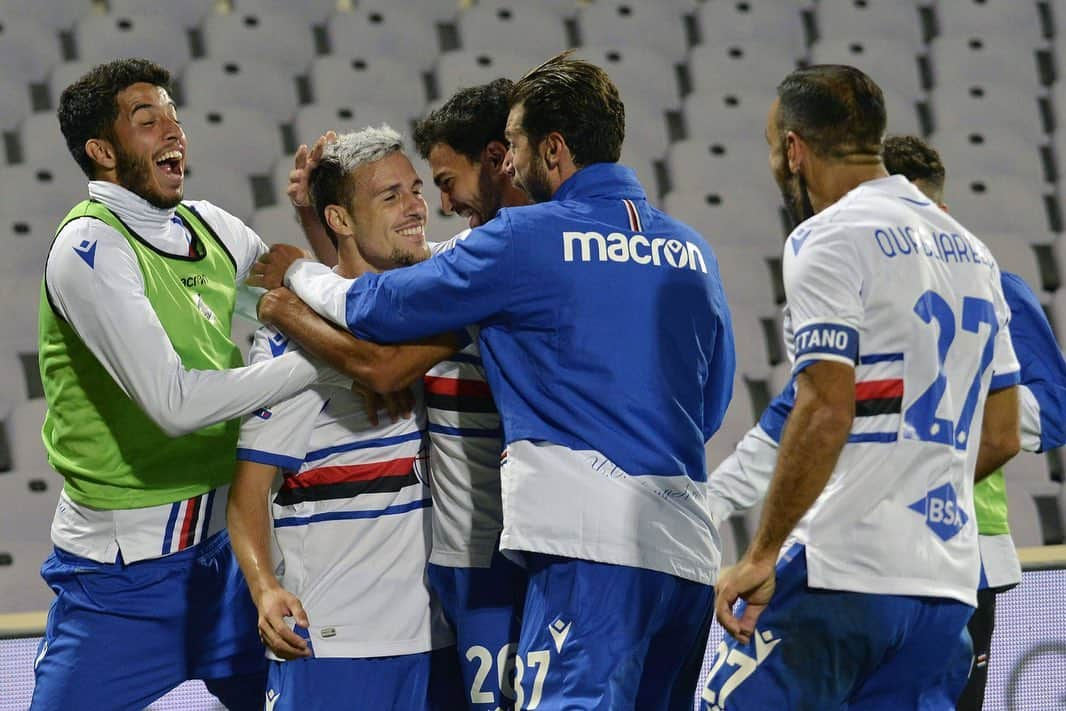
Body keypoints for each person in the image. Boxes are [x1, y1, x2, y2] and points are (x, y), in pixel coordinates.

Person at [251, 52, 736, 709]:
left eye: (513, 145)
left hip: (582, 553)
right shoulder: (691, 249)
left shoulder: (518, 244)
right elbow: (709, 404)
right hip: (685, 556)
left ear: (552, 149)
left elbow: (377, 318)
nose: (506, 161)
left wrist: (295, 277)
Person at [704, 133, 1066, 710]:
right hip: (879, 548)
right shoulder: (870, 288)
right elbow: (794, 419)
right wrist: (710, 506)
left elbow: (1053, 409)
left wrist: (937, 423)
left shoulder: (994, 285)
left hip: (964, 554)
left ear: (940, 215)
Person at [31, 58, 341, 710]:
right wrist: (322, 366)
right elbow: (174, 405)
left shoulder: (212, 227)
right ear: (102, 150)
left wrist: (320, 224)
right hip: (123, 584)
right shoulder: (89, 248)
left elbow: (314, 309)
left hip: (229, 558)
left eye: (174, 115)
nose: (174, 131)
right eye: (148, 121)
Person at [227, 126, 466, 711]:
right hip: (335, 641)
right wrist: (265, 588)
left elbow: (377, 352)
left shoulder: (433, 307)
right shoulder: (291, 341)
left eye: (415, 190)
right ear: (340, 219)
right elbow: (248, 495)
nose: (416, 207)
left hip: (438, 636)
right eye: (391, 197)